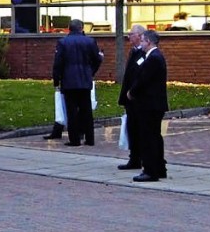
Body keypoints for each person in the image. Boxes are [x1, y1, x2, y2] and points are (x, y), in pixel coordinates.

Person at [125, 29, 169, 182]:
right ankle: (159, 168)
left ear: (149, 42)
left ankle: (150, 170)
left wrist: (132, 92)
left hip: (150, 105)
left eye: (143, 40)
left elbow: (143, 80)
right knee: (154, 136)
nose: (141, 43)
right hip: (153, 104)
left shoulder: (153, 58)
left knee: (148, 137)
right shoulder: (152, 57)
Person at [51, 19, 103, 147]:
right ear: (81, 28)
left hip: (69, 81)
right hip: (85, 80)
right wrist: (91, 72)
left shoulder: (63, 42)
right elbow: (97, 59)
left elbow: (58, 63)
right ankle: (90, 139)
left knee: (71, 111)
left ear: (69, 29)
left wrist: (56, 79)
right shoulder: (90, 42)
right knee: (87, 110)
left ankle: (74, 140)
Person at [115, 24, 148, 170]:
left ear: (140, 35)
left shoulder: (144, 54)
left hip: (138, 98)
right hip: (130, 97)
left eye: (131, 34)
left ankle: (140, 157)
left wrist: (133, 92)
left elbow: (141, 76)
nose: (129, 37)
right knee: (132, 128)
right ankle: (134, 157)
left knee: (140, 128)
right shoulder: (133, 52)